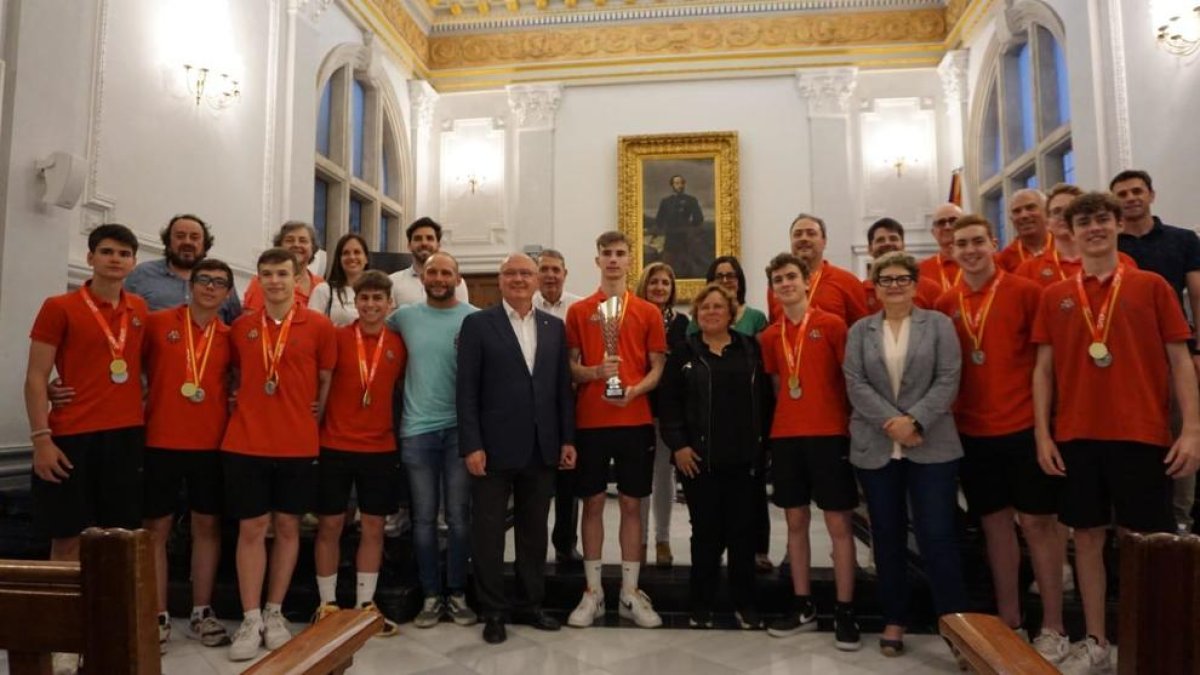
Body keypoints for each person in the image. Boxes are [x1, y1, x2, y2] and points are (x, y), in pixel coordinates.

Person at [1033, 192, 1200, 673]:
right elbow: (1043, 372)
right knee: (1084, 538)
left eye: (1102, 219)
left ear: (1117, 224)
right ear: (1071, 230)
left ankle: (1149, 639)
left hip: (1142, 432)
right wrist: (1044, 435)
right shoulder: (1056, 295)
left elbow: (1180, 362)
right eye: (1083, 221)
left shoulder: (1151, 286)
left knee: (1144, 541)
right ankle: (1097, 640)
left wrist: (1191, 430)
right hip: (1077, 435)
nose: (1094, 228)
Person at [934, 215, 1069, 663]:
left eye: (977, 241)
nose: (970, 250)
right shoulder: (946, 302)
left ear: (994, 243)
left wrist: (1046, 427)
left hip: (1024, 428)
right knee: (995, 529)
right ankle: (1010, 623)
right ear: (951, 251)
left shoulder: (1026, 292)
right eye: (961, 243)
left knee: (1038, 527)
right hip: (973, 432)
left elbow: (1045, 365)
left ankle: (1053, 625)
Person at [24, 223, 149, 675]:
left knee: (115, 542)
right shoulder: (59, 307)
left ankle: (104, 637)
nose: (116, 260)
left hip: (125, 436)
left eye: (124, 253)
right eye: (108, 251)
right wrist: (41, 438)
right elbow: (37, 376)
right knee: (68, 539)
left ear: (133, 263)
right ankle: (61, 637)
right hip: (71, 436)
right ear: (92, 257)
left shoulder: (139, 309)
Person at [843, 251, 967, 658]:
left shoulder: (939, 325)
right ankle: (894, 619)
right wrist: (893, 423)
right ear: (875, 288)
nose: (893, 286)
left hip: (931, 445)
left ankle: (954, 623)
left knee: (937, 536)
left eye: (901, 279)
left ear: (915, 284)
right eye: (885, 280)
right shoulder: (861, 330)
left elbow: (949, 377)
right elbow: (855, 382)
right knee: (887, 537)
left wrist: (914, 421)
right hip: (878, 447)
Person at [221, 247, 337, 661]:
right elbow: (231, 375)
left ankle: (275, 613)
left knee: (288, 527)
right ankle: (250, 617)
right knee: (252, 529)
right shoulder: (240, 327)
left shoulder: (319, 326)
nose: (274, 281)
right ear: (258, 280)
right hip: (246, 442)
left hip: (297, 442)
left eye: (282, 274)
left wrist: (314, 412)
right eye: (266, 274)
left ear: (297, 277)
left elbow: (325, 379)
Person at [457, 254, 577, 645]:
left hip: (541, 447)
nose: (520, 279)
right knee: (488, 534)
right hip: (491, 451)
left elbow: (561, 391)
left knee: (533, 533)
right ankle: (493, 610)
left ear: (538, 279)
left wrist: (567, 439)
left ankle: (531, 603)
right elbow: (466, 392)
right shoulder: (477, 324)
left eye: (527, 273)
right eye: (512, 273)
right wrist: (471, 444)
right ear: (500, 280)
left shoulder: (554, 328)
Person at [565, 230, 667, 629]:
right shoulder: (579, 311)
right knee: (591, 504)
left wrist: (634, 390)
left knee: (630, 505)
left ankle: (629, 591)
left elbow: (658, 366)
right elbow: (571, 366)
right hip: (590, 421)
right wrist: (592, 372)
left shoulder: (647, 311)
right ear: (597, 260)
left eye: (620, 253)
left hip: (634, 419)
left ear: (630, 261)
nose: (612, 259)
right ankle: (593, 592)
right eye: (606, 253)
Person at [758, 253, 860, 650]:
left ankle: (845, 609)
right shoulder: (770, 336)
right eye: (778, 279)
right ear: (773, 288)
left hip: (830, 434)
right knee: (795, 521)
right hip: (787, 437)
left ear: (805, 281)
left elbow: (848, 381)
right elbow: (776, 387)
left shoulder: (832, 325)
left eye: (791, 277)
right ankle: (803, 605)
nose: (785, 284)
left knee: (838, 524)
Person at [659, 283, 770, 630]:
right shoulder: (684, 352)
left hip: (744, 459)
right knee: (705, 535)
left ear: (731, 312)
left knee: (742, 534)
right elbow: (669, 404)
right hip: (698, 460)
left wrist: (763, 449)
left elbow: (767, 400)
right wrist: (678, 445)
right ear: (697, 314)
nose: (711, 312)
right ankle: (701, 604)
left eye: (718, 306)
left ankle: (745, 603)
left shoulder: (751, 349)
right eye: (704, 307)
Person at [141, 259, 236, 650]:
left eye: (219, 283)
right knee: (155, 531)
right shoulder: (157, 324)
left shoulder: (231, 335)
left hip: (211, 444)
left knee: (207, 528)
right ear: (191, 285)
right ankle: (157, 614)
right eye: (204, 280)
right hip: (160, 440)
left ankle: (201, 610)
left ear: (228, 293)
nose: (210, 288)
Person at [385, 251, 478, 629]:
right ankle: (429, 595)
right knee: (422, 520)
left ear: (458, 278)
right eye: (432, 272)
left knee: (457, 518)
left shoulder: (474, 318)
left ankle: (456, 593)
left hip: (460, 431)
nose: (439, 278)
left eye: (446, 272)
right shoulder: (403, 317)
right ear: (421, 278)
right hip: (417, 430)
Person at [311, 271, 407, 637]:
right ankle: (327, 604)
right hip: (334, 444)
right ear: (355, 301)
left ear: (388, 303)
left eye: (377, 299)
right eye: (364, 298)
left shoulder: (398, 344)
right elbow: (321, 384)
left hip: (380, 448)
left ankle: (366, 604)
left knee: (373, 526)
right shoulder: (336, 338)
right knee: (330, 524)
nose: (370, 305)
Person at [1112, 169, 1200, 536]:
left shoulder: (1183, 240)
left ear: (1151, 195)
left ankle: (1180, 520)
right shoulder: (1111, 245)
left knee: (1180, 432)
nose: (1130, 198)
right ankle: (1130, 527)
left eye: (1137, 191)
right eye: (1122, 193)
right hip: (1125, 359)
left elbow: (1196, 295)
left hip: (1172, 352)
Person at [694, 255, 772, 571]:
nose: (726, 280)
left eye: (732, 275)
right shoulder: (695, 322)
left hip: (745, 418)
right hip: (709, 419)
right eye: (720, 275)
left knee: (751, 494)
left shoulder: (755, 317)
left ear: (740, 281)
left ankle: (758, 551)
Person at [635, 262, 690, 568]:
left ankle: (663, 539)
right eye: (654, 282)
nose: (659, 287)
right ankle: (640, 540)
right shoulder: (634, 317)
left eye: (665, 283)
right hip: (640, 405)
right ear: (645, 284)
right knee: (641, 478)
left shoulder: (682, 323)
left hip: (668, 410)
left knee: (664, 476)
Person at [532, 248, 584, 564]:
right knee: (537, 482)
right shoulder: (524, 305)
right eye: (545, 269)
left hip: (572, 401)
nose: (550, 275)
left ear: (565, 273)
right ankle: (533, 546)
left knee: (569, 480)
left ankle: (565, 544)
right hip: (533, 406)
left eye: (556, 269)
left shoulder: (579, 308)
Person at [125, 213, 242, 323]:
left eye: (194, 237)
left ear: (204, 244)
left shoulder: (222, 281)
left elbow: (236, 326)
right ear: (168, 241)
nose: (187, 242)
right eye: (180, 236)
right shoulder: (141, 274)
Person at [1016, 184, 1138, 287]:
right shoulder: (1028, 270)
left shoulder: (1122, 261)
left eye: (1071, 209)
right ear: (1047, 223)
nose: (1064, 216)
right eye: (1057, 211)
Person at [767, 213, 868, 326]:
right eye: (797, 234)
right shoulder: (779, 286)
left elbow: (862, 333)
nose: (803, 238)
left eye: (811, 233)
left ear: (824, 241)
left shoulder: (848, 282)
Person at [863, 218, 943, 313]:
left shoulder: (930, 289)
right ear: (869, 249)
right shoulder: (861, 291)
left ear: (903, 245)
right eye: (880, 240)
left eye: (893, 238)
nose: (887, 243)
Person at [242, 222, 325, 311]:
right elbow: (251, 321)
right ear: (279, 246)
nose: (296, 245)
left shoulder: (321, 285)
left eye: (303, 241)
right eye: (289, 240)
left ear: (313, 248)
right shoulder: (264, 282)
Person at [389, 217, 469, 308]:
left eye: (429, 238)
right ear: (409, 245)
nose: (424, 243)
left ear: (438, 245)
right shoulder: (393, 281)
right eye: (418, 238)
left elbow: (462, 316)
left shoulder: (455, 282)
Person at [309, 233, 372, 326]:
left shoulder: (377, 292)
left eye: (357, 252)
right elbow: (312, 327)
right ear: (339, 259)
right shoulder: (324, 290)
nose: (352, 257)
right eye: (346, 253)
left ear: (366, 258)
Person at [654, 175, 706, 279]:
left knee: (687, 262)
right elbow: (659, 219)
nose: (680, 186)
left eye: (682, 183)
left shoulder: (691, 200)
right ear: (672, 185)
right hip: (670, 236)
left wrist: (689, 228)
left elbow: (699, 218)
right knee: (668, 263)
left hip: (685, 236)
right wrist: (662, 231)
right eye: (677, 183)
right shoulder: (666, 201)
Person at [997, 189, 1053, 272]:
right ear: (1011, 219)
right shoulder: (1004, 259)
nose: (1023, 215)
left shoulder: (1064, 245)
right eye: (1017, 211)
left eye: (1030, 208)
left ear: (1046, 212)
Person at [919, 203, 965, 293]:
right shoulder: (921, 270)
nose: (947, 227)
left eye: (953, 221)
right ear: (933, 232)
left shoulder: (981, 264)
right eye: (941, 223)